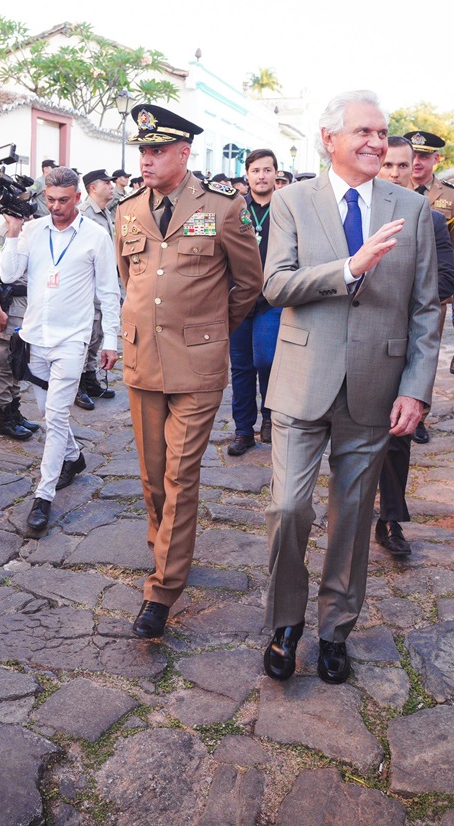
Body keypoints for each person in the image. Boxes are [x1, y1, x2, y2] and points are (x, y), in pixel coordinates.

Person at [261, 90, 440, 683]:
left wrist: (415, 390)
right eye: (363, 131)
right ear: (328, 138)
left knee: (354, 514)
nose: (375, 142)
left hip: (375, 385)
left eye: (382, 133)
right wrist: (349, 268)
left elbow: (424, 309)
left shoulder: (412, 208)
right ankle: (285, 621)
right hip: (301, 381)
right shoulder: (291, 201)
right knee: (289, 507)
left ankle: (335, 627)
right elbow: (277, 286)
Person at [115, 104, 262, 639]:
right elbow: (127, 275)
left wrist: (208, 329)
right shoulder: (128, 209)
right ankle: (168, 549)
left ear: (184, 153)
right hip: (141, 361)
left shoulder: (224, 208)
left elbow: (249, 283)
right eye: (143, 151)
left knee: (180, 473)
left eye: (157, 151)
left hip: (197, 365)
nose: (147, 159)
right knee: (153, 476)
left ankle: (162, 589)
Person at [0, 168, 120, 536]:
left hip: (72, 340)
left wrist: (112, 340)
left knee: (54, 416)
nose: (56, 207)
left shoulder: (96, 236)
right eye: (50, 200)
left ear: (77, 197)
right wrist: (13, 231)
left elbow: (109, 292)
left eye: (63, 200)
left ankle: (43, 496)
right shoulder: (33, 231)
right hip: (35, 338)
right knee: (49, 414)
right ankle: (73, 457)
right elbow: (8, 274)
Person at [371, 134, 454, 554]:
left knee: (396, 436)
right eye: (388, 165)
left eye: (403, 166)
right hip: (351, 342)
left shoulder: (432, 219)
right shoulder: (356, 214)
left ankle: (391, 520)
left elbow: (445, 280)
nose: (396, 173)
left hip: (400, 340)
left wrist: (402, 300)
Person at [226, 148, 283, 457]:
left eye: (267, 170)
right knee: (242, 368)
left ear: (276, 174)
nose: (262, 175)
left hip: (272, 298)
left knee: (267, 359)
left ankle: (270, 415)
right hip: (238, 299)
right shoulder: (234, 208)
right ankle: (243, 430)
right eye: (256, 170)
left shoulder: (287, 208)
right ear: (246, 175)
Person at [408, 131, 454, 333]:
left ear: (436, 158)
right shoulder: (388, 188)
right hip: (394, 284)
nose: (416, 162)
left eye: (424, 156)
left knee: (427, 347)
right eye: (412, 156)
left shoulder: (453, 196)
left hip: (434, 287)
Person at [0, 223, 40, 441]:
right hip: (8, 306)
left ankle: (14, 412)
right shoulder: (0, 235)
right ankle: (4, 418)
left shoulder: (29, 230)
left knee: (18, 361)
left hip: (25, 306)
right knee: (4, 362)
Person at [77, 169, 119, 407]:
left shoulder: (104, 213)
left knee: (98, 336)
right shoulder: (83, 214)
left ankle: (90, 377)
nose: (111, 186)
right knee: (86, 336)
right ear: (93, 188)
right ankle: (77, 385)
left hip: (103, 284)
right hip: (88, 286)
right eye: (107, 183)